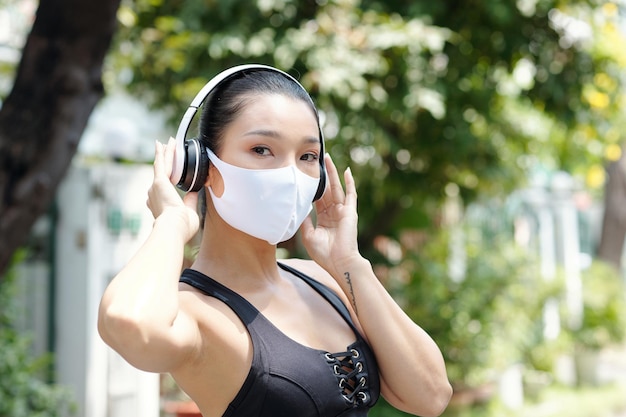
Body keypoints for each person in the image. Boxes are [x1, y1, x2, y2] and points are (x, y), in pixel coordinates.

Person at [98, 64, 452, 417]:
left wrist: (348, 264)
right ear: (202, 165)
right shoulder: (195, 312)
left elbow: (430, 395)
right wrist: (172, 223)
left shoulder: (322, 280)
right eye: (262, 149)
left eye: (307, 156)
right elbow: (129, 323)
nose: (290, 174)